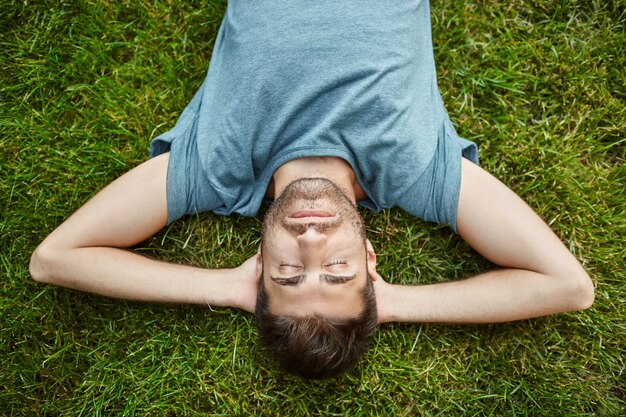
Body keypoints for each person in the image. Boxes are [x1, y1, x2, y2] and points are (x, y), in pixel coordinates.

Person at [29, 0, 594, 379]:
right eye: (340, 271)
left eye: (290, 274)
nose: (311, 242)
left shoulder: (214, 170)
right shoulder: (417, 173)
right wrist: (389, 303)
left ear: (258, 263)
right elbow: (567, 285)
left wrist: (229, 290)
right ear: (371, 259)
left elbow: (55, 259)